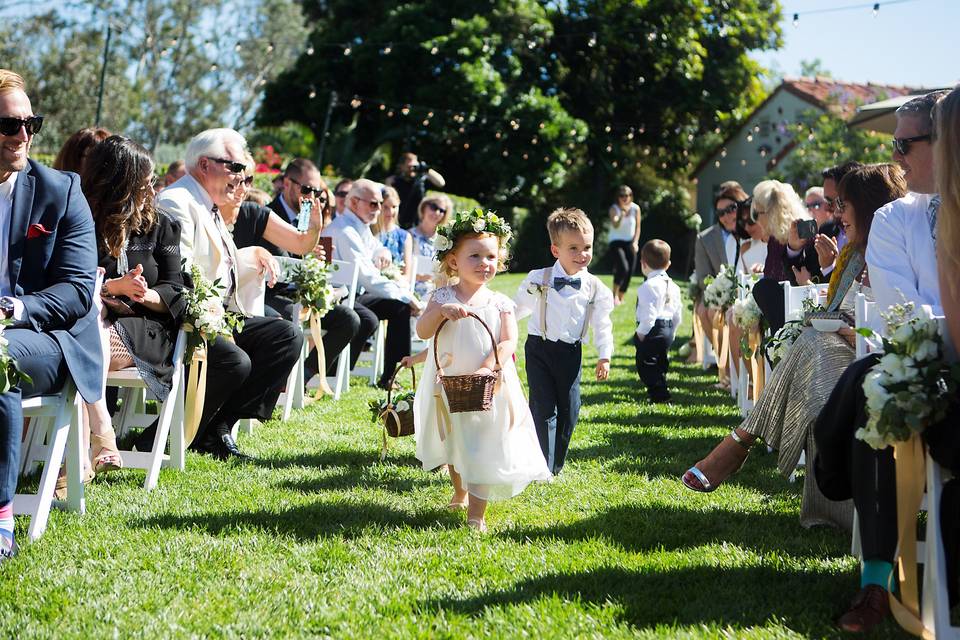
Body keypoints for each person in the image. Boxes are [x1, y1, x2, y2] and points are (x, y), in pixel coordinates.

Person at [682, 164, 907, 532]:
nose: (835, 214)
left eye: (842, 205)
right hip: (847, 347)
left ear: (866, 207)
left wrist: (855, 330)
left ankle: (741, 440)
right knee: (812, 351)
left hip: (877, 355)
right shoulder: (851, 253)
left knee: (812, 347)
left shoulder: (892, 251)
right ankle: (817, 505)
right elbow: (830, 301)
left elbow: (903, 316)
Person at [813, 90, 949, 633]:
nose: (895, 156)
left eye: (904, 143)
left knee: (864, 378)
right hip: (923, 363)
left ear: (947, 143)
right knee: (876, 401)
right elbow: (902, 316)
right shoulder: (894, 217)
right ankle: (875, 583)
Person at [0, 69, 102, 563]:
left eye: (30, 124)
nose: (22, 136)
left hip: (45, 336)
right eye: (8, 126)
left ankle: (1, 519)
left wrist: (14, 308)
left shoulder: (60, 191)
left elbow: (80, 290)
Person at [156, 128, 303, 460]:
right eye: (234, 167)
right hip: (184, 317)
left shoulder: (209, 204)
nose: (240, 177)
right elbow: (183, 273)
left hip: (220, 312)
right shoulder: (177, 201)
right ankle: (160, 437)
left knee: (285, 337)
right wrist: (217, 321)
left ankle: (216, 426)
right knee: (235, 360)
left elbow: (226, 265)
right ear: (205, 164)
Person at [414, 209, 551, 532]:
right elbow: (422, 330)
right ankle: (460, 490)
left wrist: (486, 367)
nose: (484, 263)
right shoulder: (442, 296)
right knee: (454, 439)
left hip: (488, 385)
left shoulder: (500, 302)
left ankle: (477, 514)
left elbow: (508, 342)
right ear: (453, 262)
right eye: (474, 256)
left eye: (490, 256)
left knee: (482, 442)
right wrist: (441, 313)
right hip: (449, 381)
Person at [67, 136, 186, 494]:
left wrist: (144, 294)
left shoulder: (161, 225)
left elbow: (176, 288)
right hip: (92, 320)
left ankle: (84, 447)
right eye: (146, 182)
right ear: (122, 184)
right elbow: (72, 280)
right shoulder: (82, 219)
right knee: (92, 319)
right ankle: (95, 438)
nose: (153, 188)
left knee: (84, 335)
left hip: (145, 327)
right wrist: (112, 288)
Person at [227, 155, 363, 389]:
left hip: (298, 294)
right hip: (271, 293)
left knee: (349, 319)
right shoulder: (265, 214)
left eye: (318, 191)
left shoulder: (308, 217)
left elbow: (303, 252)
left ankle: (302, 377)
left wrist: (313, 263)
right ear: (287, 183)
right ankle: (277, 382)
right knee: (284, 325)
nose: (312, 197)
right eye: (307, 189)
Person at [514, 208, 614, 474]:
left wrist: (604, 355)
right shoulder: (538, 279)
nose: (583, 255)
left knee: (570, 409)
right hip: (539, 348)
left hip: (571, 352)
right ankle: (542, 467)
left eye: (587, 247)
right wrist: (503, 338)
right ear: (555, 250)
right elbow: (516, 310)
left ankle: (556, 463)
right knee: (543, 406)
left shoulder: (595, 288)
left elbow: (602, 324)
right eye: (574, 248)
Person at [322, 178, 417, 388]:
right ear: (355, 203)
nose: (379, 209)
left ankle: (391, 376)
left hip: (355, 293)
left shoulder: (359, 225)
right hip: (338, 295)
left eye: (380, 204)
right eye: (373, 204)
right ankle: (333, 371)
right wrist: (408, 296)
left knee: (398, 309)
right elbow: (369, 278)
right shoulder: (345, 230)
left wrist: (382, 251)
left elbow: (374, 246)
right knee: (372, 317)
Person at [749, 180, 823, 334]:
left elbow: (789, 280)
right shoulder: (774, 240)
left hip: (804, 316)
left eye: (757, 213)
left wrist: (793, 248)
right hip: (784, 319)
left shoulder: (804, 233)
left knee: (763, 288)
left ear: (771, 213)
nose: (754, 220)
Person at [692, 183, 744, 366]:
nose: (726, 216)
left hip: (748, 291)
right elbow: (702, 276)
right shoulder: (705, 238)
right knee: (704, 309)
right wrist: (721, 293)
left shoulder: (755, 231)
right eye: (720, 213)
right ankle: (727, 364)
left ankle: (733, 366)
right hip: (720, 291)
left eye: (731, 209)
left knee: (714, 310)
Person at [634, 239, 682, 403]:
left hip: (653, 329)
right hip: (668, 327)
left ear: (643, 263)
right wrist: (673, 332)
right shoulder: (674, 286)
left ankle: (659, 394)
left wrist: (640, 333)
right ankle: (660, 385)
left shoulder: (648, 286)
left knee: (645, 363)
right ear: (668, 264)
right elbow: (678, 312)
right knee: (661, 360)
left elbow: (649, 314)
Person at [813, 161, 864, 280]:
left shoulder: (872, 233)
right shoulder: (826, 230)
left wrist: (829, 268)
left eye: (834, 201)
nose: (829, 208)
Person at [409, 194, 453, 298]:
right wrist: (416, 276)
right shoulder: (408, 235)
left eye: (442, 210)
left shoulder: (446, 241)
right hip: (411, 290)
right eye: (434, 207)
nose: (437, 213)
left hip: (437, 292)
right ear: (424, 207)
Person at [386, 152, 446, 229]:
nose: (412, 169)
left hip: (417, 225)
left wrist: (426, 169)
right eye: (409, 166)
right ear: (401, 166)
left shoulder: (421, 180)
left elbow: (441, 183)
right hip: (397, 223)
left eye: (414, 166)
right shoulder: (394, 181)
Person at [606, 185, 642, 304]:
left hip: (630, 242)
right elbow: (615, 224)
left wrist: (635, 242)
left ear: (631, 196)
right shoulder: (614, 208)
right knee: (623, 267)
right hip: (616, 242)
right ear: (618, 197)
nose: (625, 198)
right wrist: (621, 215)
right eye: (622, 195)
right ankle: (613, 295)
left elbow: (638, 227)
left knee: (630, 270)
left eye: (627, 195)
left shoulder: (636, 208)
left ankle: (620, 297)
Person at [372, 185, 412, 282]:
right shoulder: (368, 230)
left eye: (394, 207)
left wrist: (393, 278)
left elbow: (407, 276)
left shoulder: (404, 236)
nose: (390, 211)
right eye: (385, 207)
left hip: (394, 285)